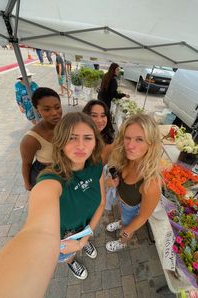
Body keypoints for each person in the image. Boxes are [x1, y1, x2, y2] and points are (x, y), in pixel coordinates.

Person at [37, 112, 105, 280]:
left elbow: (102, 203)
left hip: (84, 229)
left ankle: (84, 244)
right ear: (60, 142)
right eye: (72, 138)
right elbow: (32, 230)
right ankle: (71, 261)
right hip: (61, 238)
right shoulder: (51, 180)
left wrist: (83, 239)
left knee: (78, 243)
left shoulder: (96, 166)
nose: (81, 145)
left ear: (95, 142)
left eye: (88, 138)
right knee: (68, 253)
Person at [105, 113, 162, 252]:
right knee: (123, 218)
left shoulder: (151, 183)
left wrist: (127, 231)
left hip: (132, 210)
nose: (130, 145)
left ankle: (122, 242)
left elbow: (143, 216)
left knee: (127, 226)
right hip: (121, 202)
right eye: (127, 138)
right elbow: (111, 176)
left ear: (151, 144)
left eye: (139, 139)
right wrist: (110, 182)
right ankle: (121, 222)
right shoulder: (125, 158)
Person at [20, 87, 62, 191]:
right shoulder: (30, 139)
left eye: (57, 107)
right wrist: (28, 185)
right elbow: (26, 164)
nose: (54, 113)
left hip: (66, 171)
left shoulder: (66, 125)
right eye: (47, 109)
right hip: (44, 174)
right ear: (37, 110)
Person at [82, 99, 115, 164]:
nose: (99, 120)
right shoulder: (77, 139)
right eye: (94, 115)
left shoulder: (110, 142)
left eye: (103, 116)